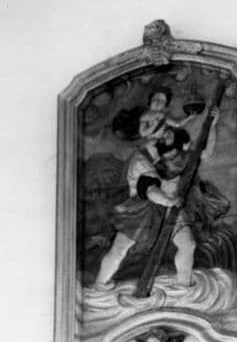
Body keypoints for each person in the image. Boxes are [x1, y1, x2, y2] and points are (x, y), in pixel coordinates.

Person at [93, 104, 220, 290]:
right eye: (153, 127)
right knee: (119, 249)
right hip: (142, 211)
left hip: (170, 207)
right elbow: (151, 190)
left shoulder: (171, 147)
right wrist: (170, 201)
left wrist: (213, 125)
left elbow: (205, 153)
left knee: (188, 244)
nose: (164, 131)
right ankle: (100, 284)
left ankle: (183, 286)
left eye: (163, 127)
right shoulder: (141, 160)